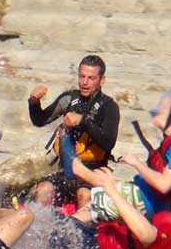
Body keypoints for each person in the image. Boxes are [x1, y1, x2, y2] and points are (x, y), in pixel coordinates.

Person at [28, 55, 120, 209]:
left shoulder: (109, 107)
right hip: (66, 170)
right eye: (82, 76)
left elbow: (108, 142)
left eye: (91, 78)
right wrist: (33, 103)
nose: (84, 82)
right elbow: (40, 120)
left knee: (84, 194)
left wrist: (83, 121)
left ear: (102, 80)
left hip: (93, 172)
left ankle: (84, 223)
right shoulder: (69, 99)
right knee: (43, 189)